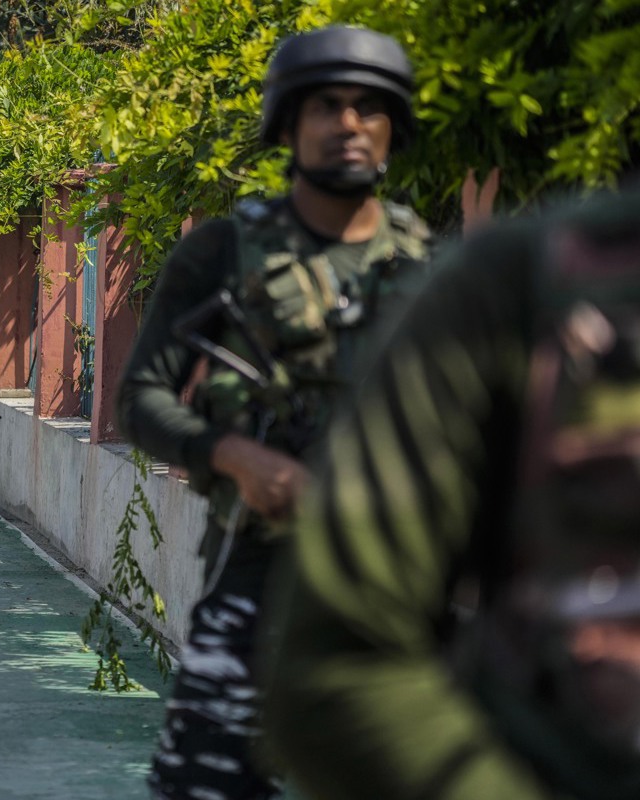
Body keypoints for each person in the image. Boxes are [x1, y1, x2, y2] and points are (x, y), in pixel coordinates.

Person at [115, 26, 434, 800]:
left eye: (369, 108)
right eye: (327, 105)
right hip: (260, 572)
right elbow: (141, 401)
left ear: (393, 128)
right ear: (288, 124)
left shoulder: (429, 264)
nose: (349, 124)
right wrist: (235, 457)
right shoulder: (223, 252)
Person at [264, 186, 640, 800]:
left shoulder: (416, 248)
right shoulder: (533, 285)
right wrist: (228, 453)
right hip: (318, 517)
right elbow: (340, 658)